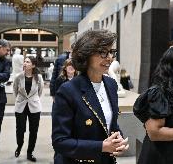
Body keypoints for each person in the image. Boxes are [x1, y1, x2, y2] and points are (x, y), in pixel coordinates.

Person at [52, 29, 129, 164]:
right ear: (86, 54)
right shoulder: (68, 91)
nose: (109, 57)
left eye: (111, 52)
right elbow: (60, 141)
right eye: (103, 52)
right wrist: (102, 147)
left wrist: (118, 140)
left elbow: (111, 124)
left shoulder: (111, 84)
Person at [13, 56, 44, 162]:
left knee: (33, 131)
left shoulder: (38, 77)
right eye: (24, 61)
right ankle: (19, 146)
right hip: (21, 105)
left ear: (33, 65)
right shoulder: (18, 76)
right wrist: (20, 100)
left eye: (28, 62)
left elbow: (40, 92)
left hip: (34, 106)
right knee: (20, 129)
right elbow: (15, 90)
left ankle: (30, 152)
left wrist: (33, 100)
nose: (25, 63)